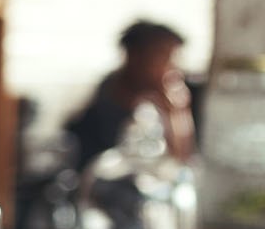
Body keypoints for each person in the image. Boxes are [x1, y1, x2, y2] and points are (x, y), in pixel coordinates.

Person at [64, 19, 197, 171]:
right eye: (163, 56)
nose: (172, 66)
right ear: (134, 56)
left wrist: (176, 112)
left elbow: (183, 159)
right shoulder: (112, 95)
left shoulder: (172, 95)